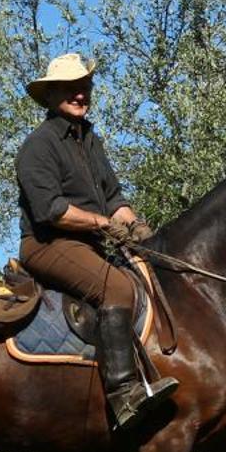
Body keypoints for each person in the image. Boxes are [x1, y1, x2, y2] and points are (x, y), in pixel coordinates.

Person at [14, 53, 179, 430]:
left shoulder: (90, 140)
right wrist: (104, 223)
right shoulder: (38, 145)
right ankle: (124, 394)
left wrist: (144, 232)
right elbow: (52, 210)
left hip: (87, 245)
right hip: (47, 245)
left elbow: (115, 199)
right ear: (52, 94)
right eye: (71, 88)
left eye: (85, 87)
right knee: (117, 288)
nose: (80, 94)